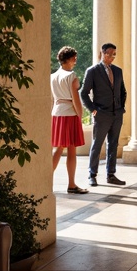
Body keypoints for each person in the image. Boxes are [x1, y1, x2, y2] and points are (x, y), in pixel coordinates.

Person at [80, 42, 127, 188]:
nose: (112, 57)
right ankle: (92, 175)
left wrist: (121, 107)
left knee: (113, 144)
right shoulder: (92, 71)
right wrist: (93, 109)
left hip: (117, 114)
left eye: (114, 54)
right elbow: (83, 93)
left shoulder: (118, 71)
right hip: (101, 114)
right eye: (109, 54)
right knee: (97, 145)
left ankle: (111, 175)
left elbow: (123, 91)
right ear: (102, 53)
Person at [50, 46, 88, 194]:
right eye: (74, 58)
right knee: (71, 150)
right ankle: (71, 185)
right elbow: (75, 99)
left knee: (58, 148)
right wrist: (80, 115)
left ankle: (46, 182)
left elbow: (52, 99)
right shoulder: (71, 76)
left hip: (56, 114)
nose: (75, 61)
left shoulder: (52, 76)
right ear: (70, 58)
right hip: (70, 114)